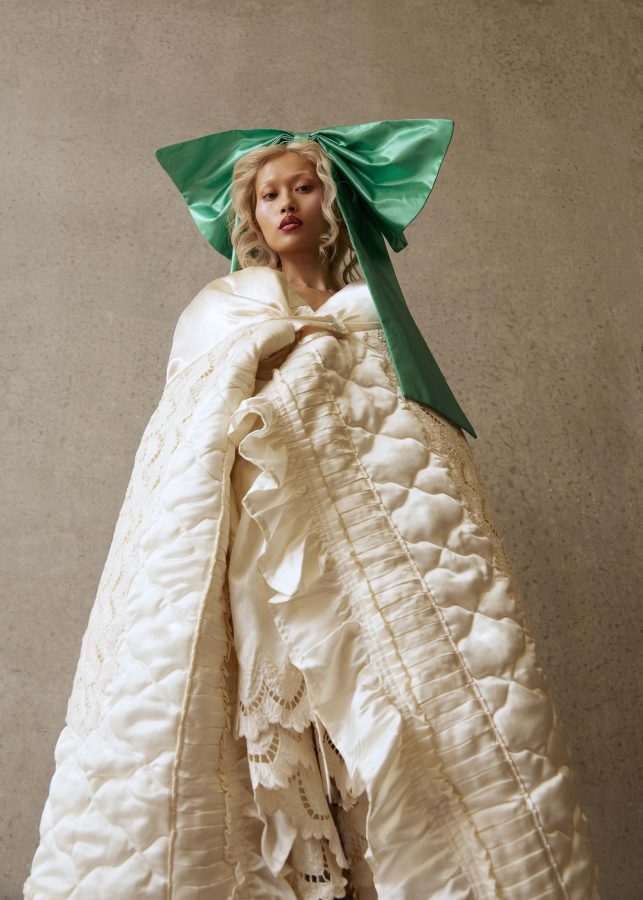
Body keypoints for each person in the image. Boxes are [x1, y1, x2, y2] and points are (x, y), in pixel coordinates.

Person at [24, 126, 602, 899]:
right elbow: (187, 430)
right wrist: (272, 354)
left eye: (302, 186)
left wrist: (324, 361)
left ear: (331, 201)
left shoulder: (374, 318)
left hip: (360, 556)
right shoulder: (222, 311)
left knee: (382, 728)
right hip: (262, 550)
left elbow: (418, 445)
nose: (286, 204)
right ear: (250, 216)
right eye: (269, 195)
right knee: (279, 730)